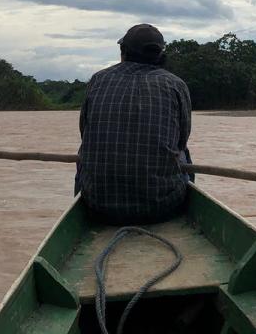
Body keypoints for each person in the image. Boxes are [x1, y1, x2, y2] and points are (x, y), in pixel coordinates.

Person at [74, 23, 194, 224]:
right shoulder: (175, 84)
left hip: (97, 204)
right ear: (160, 55)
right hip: (161, 206)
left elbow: (84, 132)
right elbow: (181, 141)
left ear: (124, 52)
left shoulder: (98, 80)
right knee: (184, 153)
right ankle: (186, 216)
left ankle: (83, 218)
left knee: (83, 153)